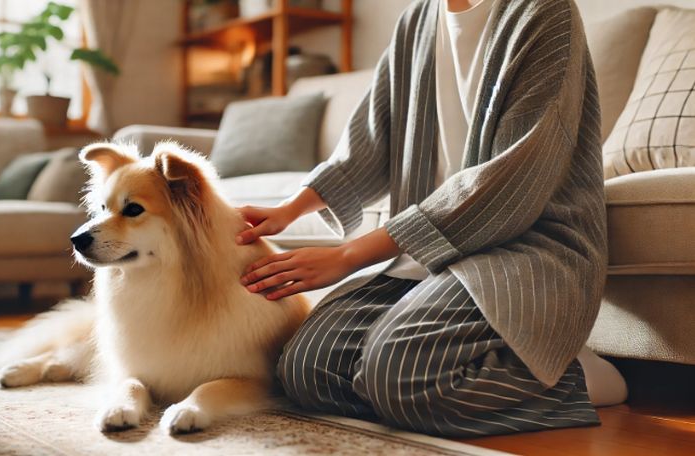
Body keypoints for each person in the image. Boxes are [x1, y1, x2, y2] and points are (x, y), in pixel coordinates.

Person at [236, 0, 627, 438]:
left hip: (525, 248)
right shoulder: (417, 19)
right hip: (429, 255)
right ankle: (425, 383)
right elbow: (370, 141)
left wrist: (349, 254)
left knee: (398, 372)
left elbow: (512, 182)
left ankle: (570, 377)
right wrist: (290, 208)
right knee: (307, 368)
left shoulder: (543, 11)